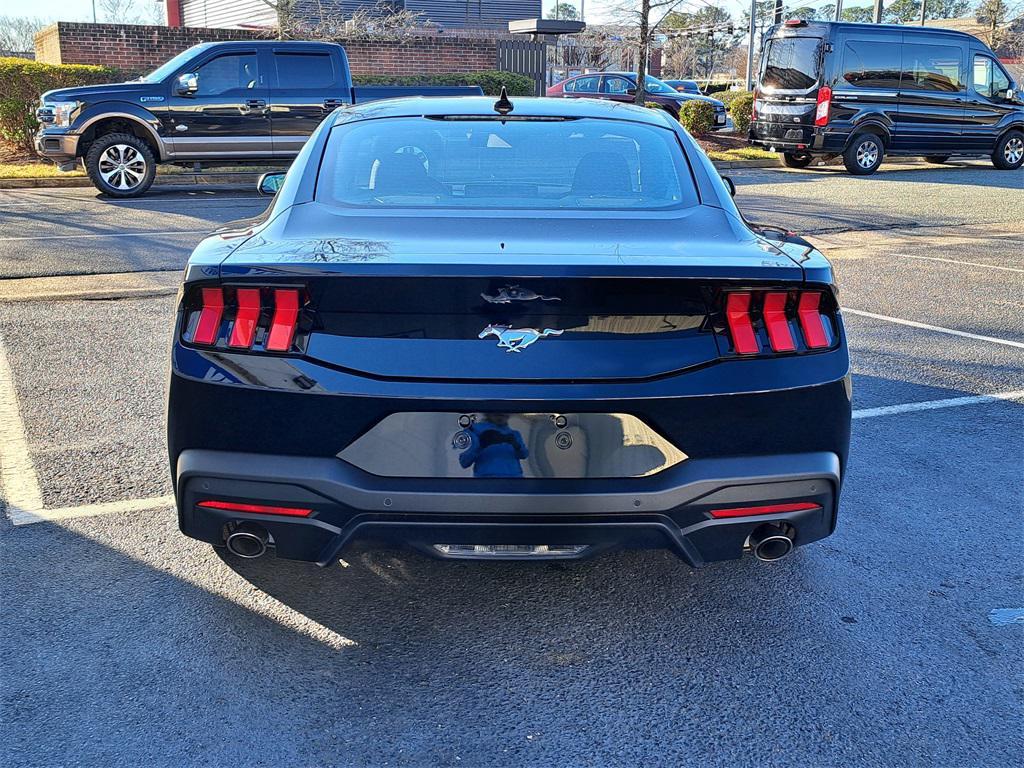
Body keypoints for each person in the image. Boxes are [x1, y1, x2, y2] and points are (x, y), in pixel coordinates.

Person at [457, 413, 529, 478]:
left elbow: (524, 455)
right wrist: (481, 446)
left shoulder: (515, 434)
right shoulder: (474, 430)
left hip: (514, 480)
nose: (501, 415)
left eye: (504, 412)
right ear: (487, 413)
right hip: (487, 480)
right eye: (497, 413)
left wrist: (516, 445)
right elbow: (464, 462)